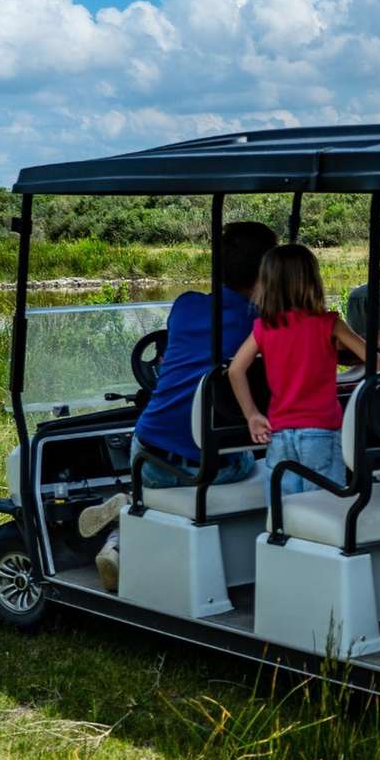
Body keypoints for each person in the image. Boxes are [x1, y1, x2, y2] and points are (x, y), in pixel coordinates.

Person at [79, 221, 277, 590]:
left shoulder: (185, 306)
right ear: (268, 270)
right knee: (258, 457)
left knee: (157, 479)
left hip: (148, 450)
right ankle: (126, 511)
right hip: (212, 466)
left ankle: (126, 512)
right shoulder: (265, 323)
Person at [229, 244, 380, 496]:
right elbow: (378, 363)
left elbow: (236, 370)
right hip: (321, 429)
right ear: (312, 281)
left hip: (279, 432)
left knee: (283, 506)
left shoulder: (263, 327)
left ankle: (280, 535)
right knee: (323, 503)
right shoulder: (329, 323)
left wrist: (252, 415)